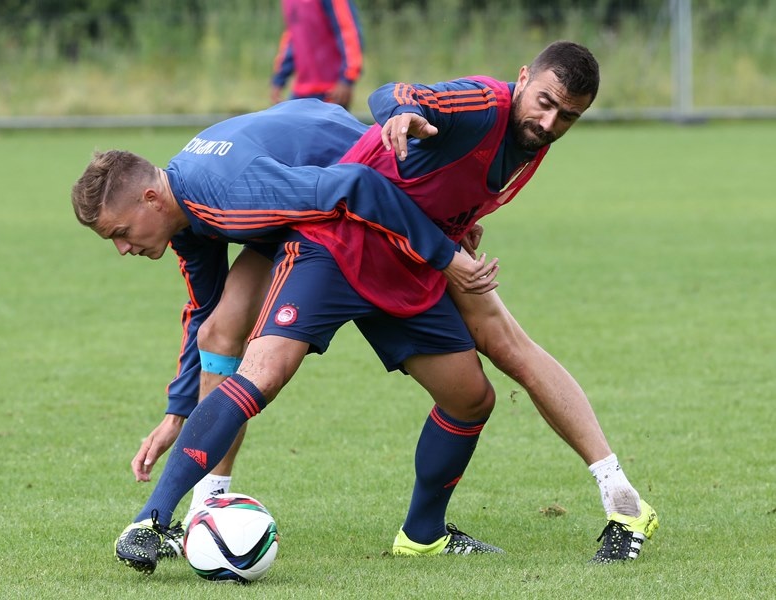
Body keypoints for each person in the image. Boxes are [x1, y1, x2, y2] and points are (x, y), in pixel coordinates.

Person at [135, 41, 659, 564]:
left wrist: (455, 227)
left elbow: (439, 186)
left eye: (568, 116)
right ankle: (152, 521)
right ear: (523, 78)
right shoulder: (481, 103)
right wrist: (406, 113)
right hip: (337, 244)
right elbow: (395, 94)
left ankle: (423, 534)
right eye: (545, 102)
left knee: (471, 397)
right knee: (261, 370)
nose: (549, 122)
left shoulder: (529, 140)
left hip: (407, 260)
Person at [72, 102, 506, 575]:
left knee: (470, 396)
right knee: (224, 334)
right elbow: (204, 313)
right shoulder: (187, 215)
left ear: (152, 199)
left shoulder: (230, 194)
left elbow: (355, 183)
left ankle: (425, 534)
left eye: (121, 232)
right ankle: (169, 516)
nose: (122, 248)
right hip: (321, 218)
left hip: (374, 205)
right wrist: (177, 413)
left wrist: (444, 247)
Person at [271, 0, 363, 110]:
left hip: (331, 91)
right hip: (300, 91)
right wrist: (279, 79)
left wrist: (347, 79)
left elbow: (348, 32)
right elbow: (293, 36)